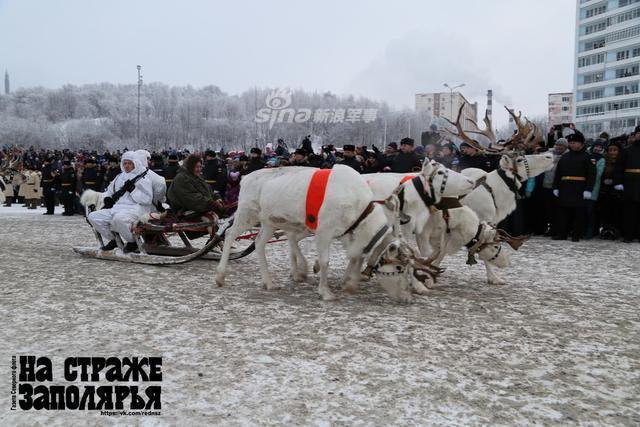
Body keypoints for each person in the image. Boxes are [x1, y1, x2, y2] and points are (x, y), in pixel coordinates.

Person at [87, 151, 154, 252]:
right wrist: (107, 198)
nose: (127, 166)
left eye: (129, 163)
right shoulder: (119, 177)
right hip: (117, 208)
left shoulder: (143, 179)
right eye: (125, 163)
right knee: (93, 217)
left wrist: (133, 190)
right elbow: (110, 190)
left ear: (135, 163)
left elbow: (147, 200)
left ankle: (132, 242)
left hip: (135, 209)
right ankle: (113, 240)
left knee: (118, 219)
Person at [552, 132, 596, 242]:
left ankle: (576, 235)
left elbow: (592, 175)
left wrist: (588, 190)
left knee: (578, 214)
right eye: (570, 143)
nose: (572, 145)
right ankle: (562, 234)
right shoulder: (565, 157)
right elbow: (558, 173)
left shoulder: (588, 157)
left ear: (581, 144)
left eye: (574, 143)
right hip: (565, 188)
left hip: (579, 188)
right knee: (563, 213)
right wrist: (556, 187)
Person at [614, 126, 640, 242]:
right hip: (630, 184)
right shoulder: (626, 151)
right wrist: (618, 182)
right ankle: (628, 235)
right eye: (638, 133)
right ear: (635, 135)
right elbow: (618, 168)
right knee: (629, 211)